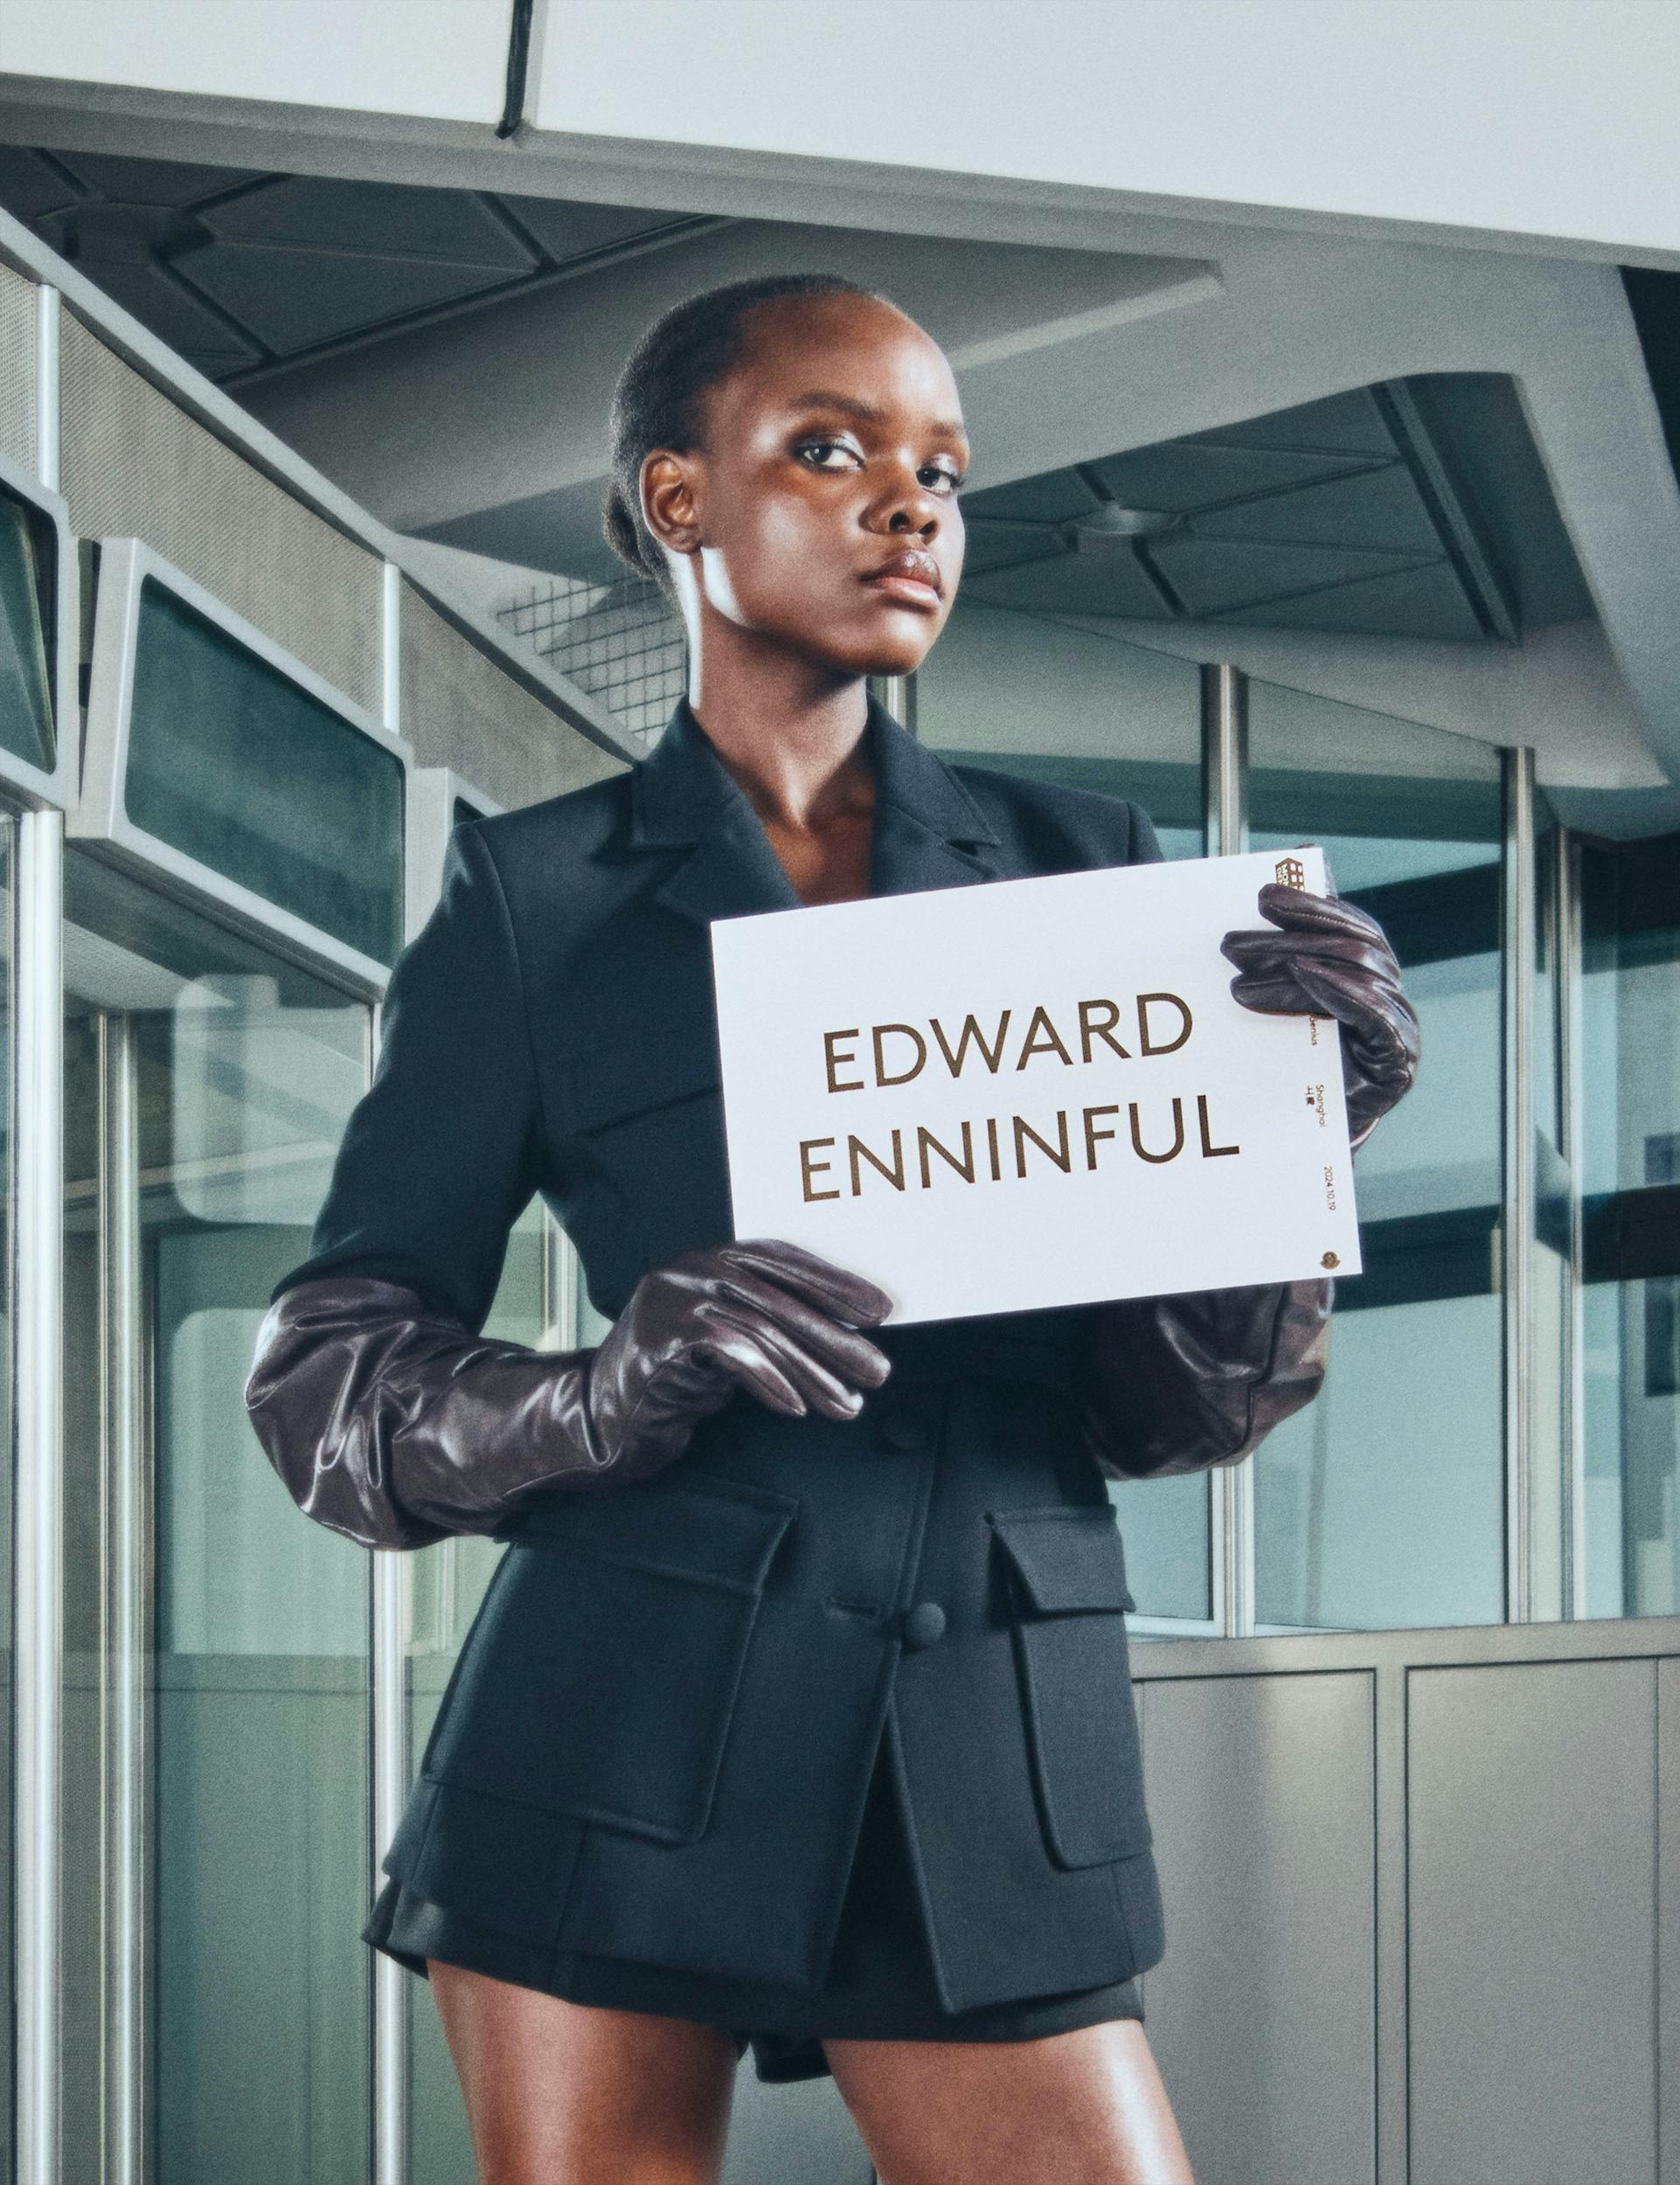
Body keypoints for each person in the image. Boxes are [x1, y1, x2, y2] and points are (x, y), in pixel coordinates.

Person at [246, 271, 1418, 2185]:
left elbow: (1166, 1416)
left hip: (988, 1732)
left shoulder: (1100, 879)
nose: (909, 506)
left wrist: (1294, 1154)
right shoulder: (533, 905)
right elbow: (328, 1377)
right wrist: (601, 1391)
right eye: (831, 448)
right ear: (677, 500)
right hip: (619, 1717)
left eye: (943, 473)